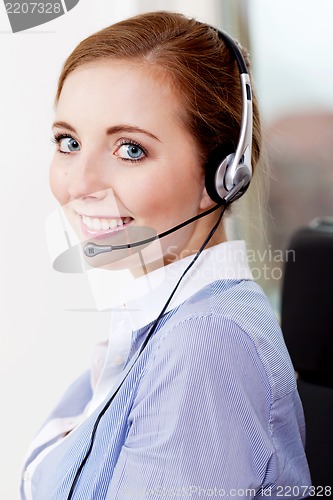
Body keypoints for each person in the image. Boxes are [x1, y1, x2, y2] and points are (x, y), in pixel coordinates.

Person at [21, 11, 311, 500]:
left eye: (130, 149)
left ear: (222, 176)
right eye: (68, 142)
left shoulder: (206, 342)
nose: (81, 184)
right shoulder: (158, 321)